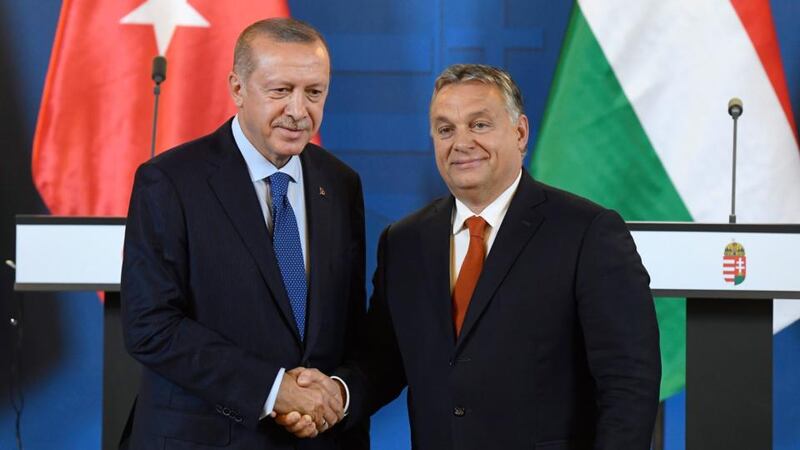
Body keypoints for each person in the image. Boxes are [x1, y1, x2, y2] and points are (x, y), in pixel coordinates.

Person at [281, 64, 662, 449]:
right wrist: (337, 394)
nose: (461, 142)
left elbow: (629, 381)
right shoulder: (404, 242)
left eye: (479, 125)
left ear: (520, 133)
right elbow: (383, 359)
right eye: (445, 129)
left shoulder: (587, 233)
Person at [120, 18, 368, 449]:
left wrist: (331, 395)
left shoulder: (341, 184)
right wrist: (273, 389)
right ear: (237, 88)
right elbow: (150, 325)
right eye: (280, 90)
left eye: (314, 92)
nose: (298, 110)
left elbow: (349, 327)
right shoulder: (170, 181)